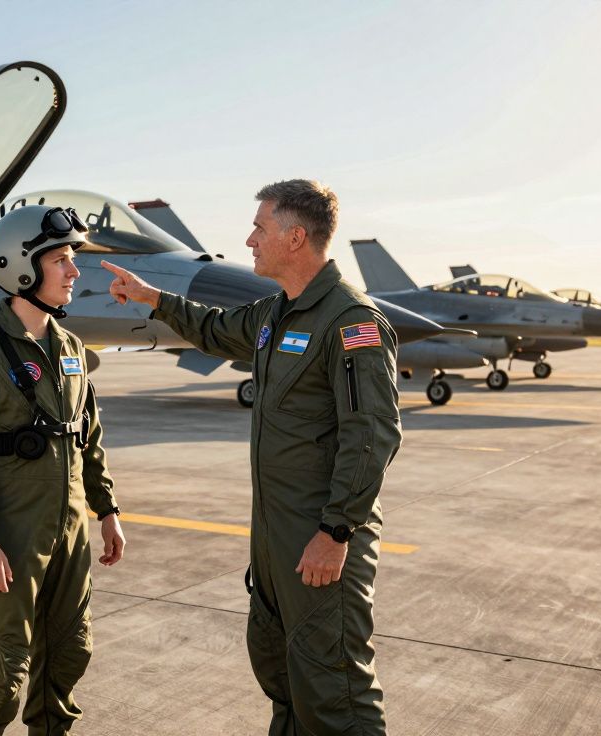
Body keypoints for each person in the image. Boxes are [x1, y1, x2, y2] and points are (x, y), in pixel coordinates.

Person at [102, 180, 400, 735]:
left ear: (295, 236)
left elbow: (372, 435)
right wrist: (154, 299)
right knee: (281, 673)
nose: (249, 239)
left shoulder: (350, 321)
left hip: (320, 533)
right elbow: (214, 330)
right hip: (274, 536)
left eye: (260, 228)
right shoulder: (275, 313)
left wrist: (336, 533)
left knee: (334, 688)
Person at [0, 204, 126, 736]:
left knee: (67, 656)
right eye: (61, 259)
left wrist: (106, 510)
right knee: (1, 671)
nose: (74, 271)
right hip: (8, 538)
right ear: (23, 268)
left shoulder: (71, 350)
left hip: (69, 534)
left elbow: (88, 436)